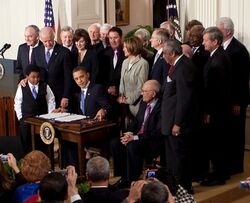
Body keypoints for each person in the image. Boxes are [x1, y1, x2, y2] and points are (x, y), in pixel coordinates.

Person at [161, 39, 197, 193]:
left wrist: (178, 123)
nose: (162, 56)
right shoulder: (178, 65)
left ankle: (182, 188)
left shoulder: (183, 67)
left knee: (179, 156)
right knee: (173, 157)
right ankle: (175, 186)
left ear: (173, 53)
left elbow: (184, 98)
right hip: (170, 121)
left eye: (164, 53)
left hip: (177, 123)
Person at [216, 17, 250, 175]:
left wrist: (237, 102)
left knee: (236, 134)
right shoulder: (223, 48)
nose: (217, 32)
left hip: (236, 101)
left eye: (219, 29)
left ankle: (236, 166)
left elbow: (242, 80)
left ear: (228, 31)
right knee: (226, 134)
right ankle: (226, 164)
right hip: (225, 100)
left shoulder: (239, 50)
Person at [112, 80, 162, 184]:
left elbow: (157, 132)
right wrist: (129, 133)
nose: (141, 93)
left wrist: (134, 137)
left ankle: (132, 179)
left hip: (151, 141)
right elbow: (136, 121)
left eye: (144, 91)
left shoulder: (161, 107)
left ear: (153, 94)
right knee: (116, 143)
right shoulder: (144, 103)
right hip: (138, 137)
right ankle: (123, 176)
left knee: (132, 146)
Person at [201, 26, 232, 186]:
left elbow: (215, 90)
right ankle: (221, 173)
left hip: (217, 111)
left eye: (206, 40)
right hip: (220, 110)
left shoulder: (218, 59)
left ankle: (219, 176)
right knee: (218, 143)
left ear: (215, 41)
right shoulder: (218, 55)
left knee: (216, 143)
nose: (203, 42)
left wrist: (208, 112)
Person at [14, 64, 55, 153]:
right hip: (26, 119)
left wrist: (50, 115)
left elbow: (51, 100)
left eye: (38, 77)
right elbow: (17, 102)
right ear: (27, 76)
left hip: (42, 119)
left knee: (41, 142)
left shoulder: (45, 86)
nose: (36, 79)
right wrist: (20, 117)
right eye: (33, 77)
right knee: (26, 142)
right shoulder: (22, 87)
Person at [188, 24, 210, 181]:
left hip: (200, 103)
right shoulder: (194, 51)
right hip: (194, 104)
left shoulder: (203, 55)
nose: (191, 39)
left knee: (200, 142)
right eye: (190, 36)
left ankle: (200, 172)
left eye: (194, 36)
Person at [31, 26, 73, 109]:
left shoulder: (64, 52)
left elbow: (68, 77)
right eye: (45, 41)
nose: (48, 43)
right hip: (41, 95)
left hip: (59, 95)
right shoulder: (36, 51)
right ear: (40, 39)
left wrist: (66, 96)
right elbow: (33, 71)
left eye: (50, 40)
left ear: (54, 36)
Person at [118, 36, 149, 121]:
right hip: (123, 104)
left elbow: (141, 87)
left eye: (125, 47)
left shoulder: (143, 63)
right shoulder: (125, 62)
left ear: (132, 47)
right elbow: (122, 81)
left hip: (136, 105)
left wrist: (129, 100)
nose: (123, 49)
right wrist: (121, 96)